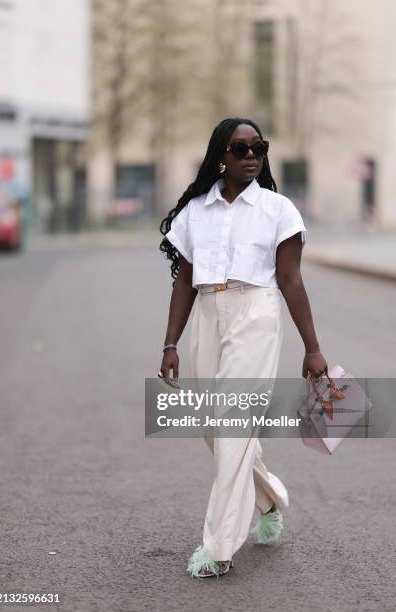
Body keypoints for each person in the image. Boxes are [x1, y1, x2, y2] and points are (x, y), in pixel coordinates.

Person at [158, 117, 328, 579]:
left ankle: (218, 546)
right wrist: (171, 342)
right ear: (221, 156)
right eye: (241, 148)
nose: (252, 155)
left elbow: (291, 281)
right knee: (214, 428)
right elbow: (185, 282)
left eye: (259, 147)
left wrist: (312, 348)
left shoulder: (279, 210)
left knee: (233, 427)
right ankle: (269, 498)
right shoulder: (197, 210)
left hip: (256, 314)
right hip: (208, 316)